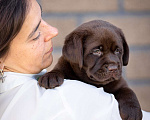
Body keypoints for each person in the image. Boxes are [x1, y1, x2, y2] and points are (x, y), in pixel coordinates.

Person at [0, 0, 149, 120]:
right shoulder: (64, 97)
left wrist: (128, 98)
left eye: (42, 18)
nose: (54, 31)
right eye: (35, 33)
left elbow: (122, 89)